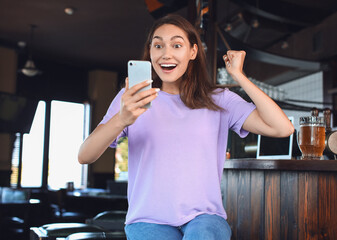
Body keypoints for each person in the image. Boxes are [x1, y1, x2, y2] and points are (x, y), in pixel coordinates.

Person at [78, 14, 294, 240]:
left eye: (177, 45)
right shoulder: (131, 99)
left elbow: (282, 128)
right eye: (158, 45)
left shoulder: (219, 99)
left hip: (205, 219)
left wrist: (239, 76)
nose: (166, 54)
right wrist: (122, 119)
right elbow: (85, 155)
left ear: (192, 52)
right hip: (147, 221)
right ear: (150, 52)